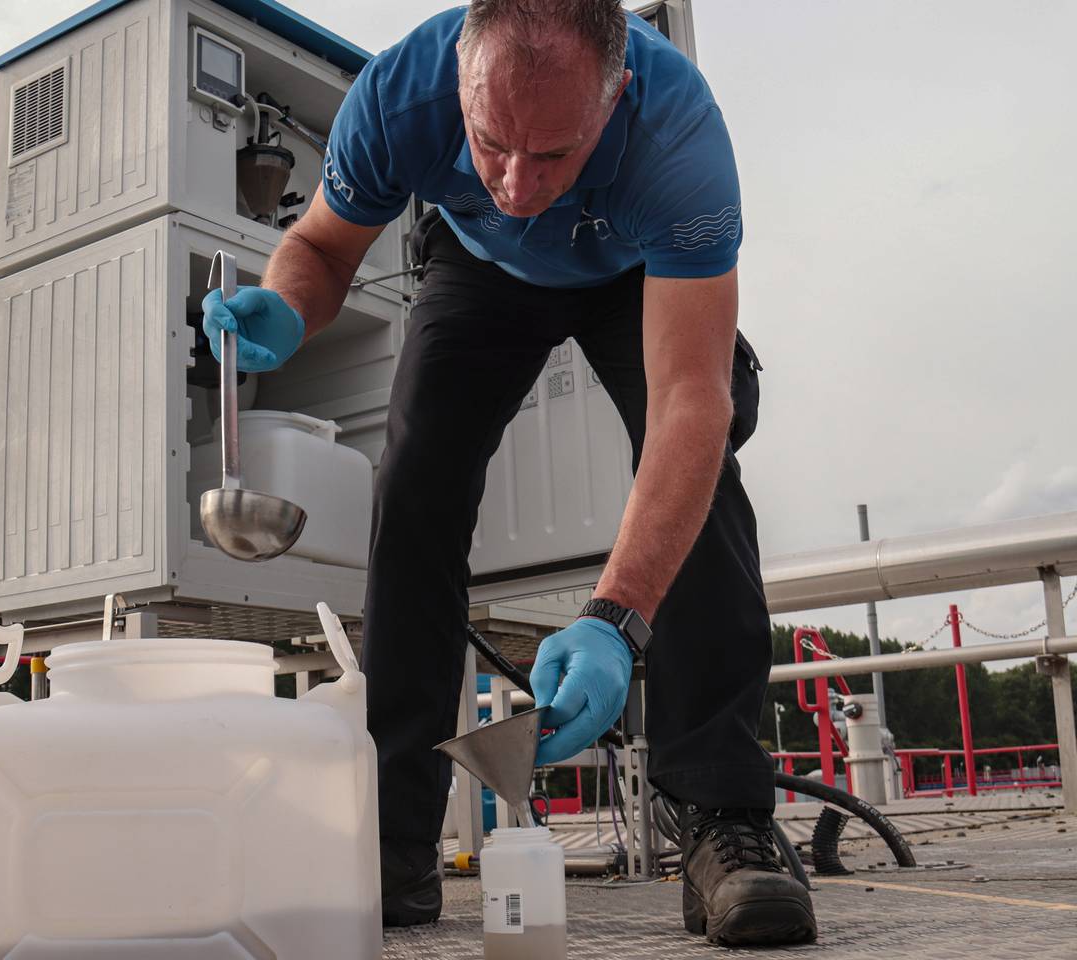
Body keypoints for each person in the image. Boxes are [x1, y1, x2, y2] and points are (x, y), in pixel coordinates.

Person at [202, 0, 816, 947]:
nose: (521, 183)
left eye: (556, 154)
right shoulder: (398, 95)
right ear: (459, 82)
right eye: (491, 144)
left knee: (704, 477)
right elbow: (321, 248)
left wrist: (616, 618)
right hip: (479, 267)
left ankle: (724, 819)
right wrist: (285, 306)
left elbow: (694, 400)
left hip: (631, 273)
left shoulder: (678, 134)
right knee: (414, 488)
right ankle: (393, 840)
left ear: (616, 97)